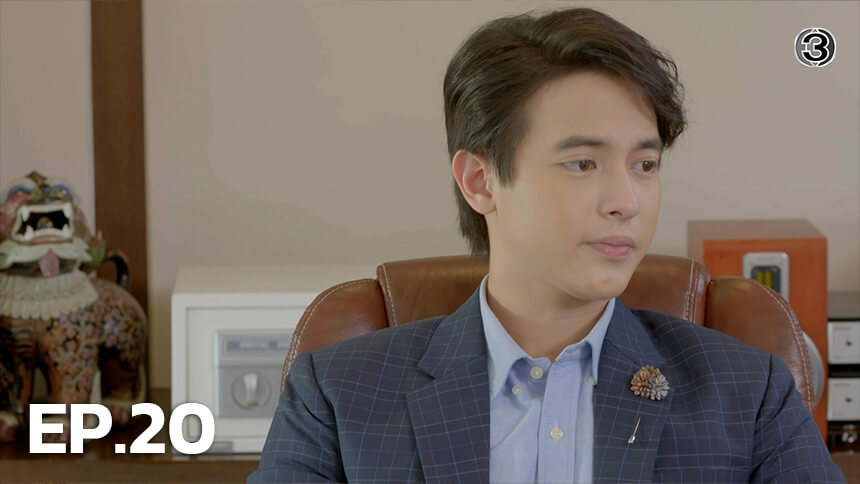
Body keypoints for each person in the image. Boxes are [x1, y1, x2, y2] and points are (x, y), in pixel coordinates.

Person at [250, 7, 845, 483]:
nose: (626, 201)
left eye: (644, 164)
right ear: (481, 182)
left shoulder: (748, 392)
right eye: (583, 163)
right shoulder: (337, 393)